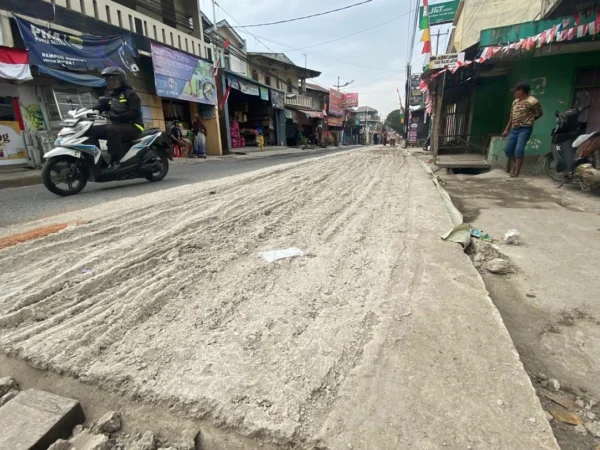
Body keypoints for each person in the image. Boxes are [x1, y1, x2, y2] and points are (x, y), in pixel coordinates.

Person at [89, 67, 144, 168]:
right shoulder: (112, 95)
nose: (110, 82)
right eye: (107, 79)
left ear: (122, 79)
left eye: (113, 79)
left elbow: (134, 113)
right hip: (119, 126)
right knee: (90, 131)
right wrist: (85, 112)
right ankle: (96, 161)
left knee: (111, 129)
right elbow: (101, 107)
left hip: (134, 126)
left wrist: (116, 117)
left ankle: (115, 160)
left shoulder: (130, 94)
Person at [502, 81, 543, 177]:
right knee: (508, 150)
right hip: (514, 129)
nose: (514, 93)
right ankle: (516, 165)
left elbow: (539, 114)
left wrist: (530, 120)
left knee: (519, 150)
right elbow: (512, 117)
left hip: (525, 129)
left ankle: (517, 172)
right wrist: (506, 129)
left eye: (515, 91)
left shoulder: (532, 101)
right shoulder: (515, 102)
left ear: (521, 91)